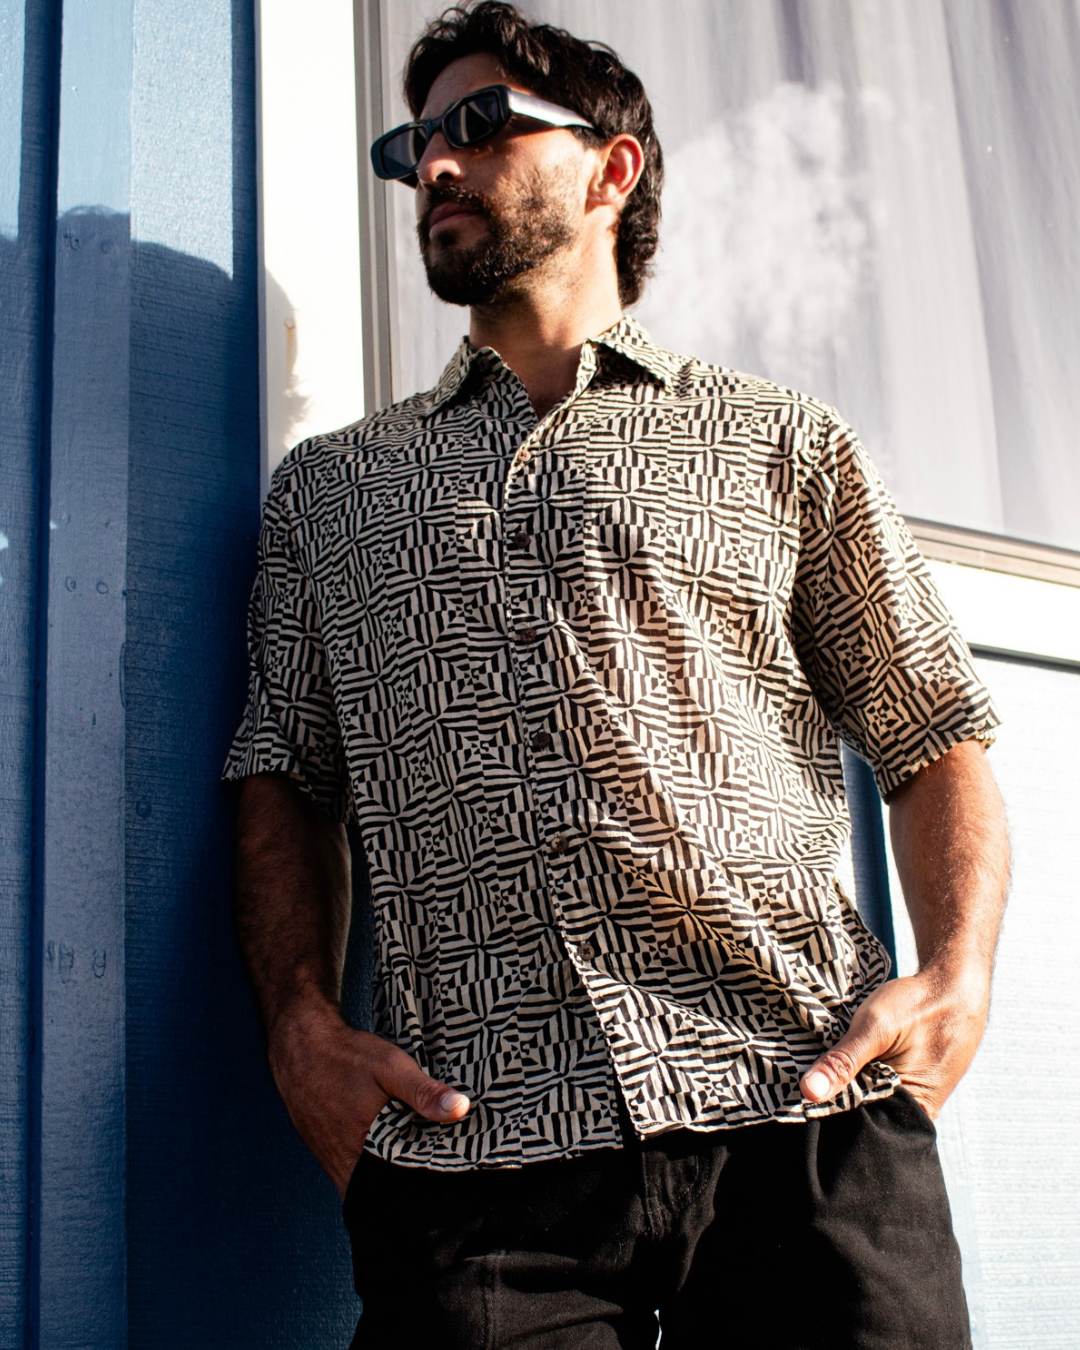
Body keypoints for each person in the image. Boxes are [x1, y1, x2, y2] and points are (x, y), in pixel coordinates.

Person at [225, 4, 1010, 1346]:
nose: (440, 164)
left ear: (612, 170)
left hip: (800, 1117)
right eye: (417, 144)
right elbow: (280, 773)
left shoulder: (777, 441)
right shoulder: (330, 493)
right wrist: (300, 1022)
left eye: (482, 124)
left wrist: (961, 973)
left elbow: (935, 727)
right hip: (477, 1159)